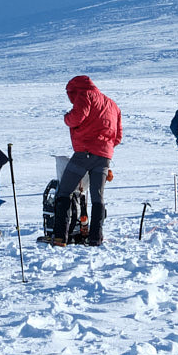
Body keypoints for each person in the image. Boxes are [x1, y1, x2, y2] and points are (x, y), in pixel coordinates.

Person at [51, 75, 122, 246]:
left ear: (73, 91)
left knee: (64, 191)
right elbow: (118, 136)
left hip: (85, 153)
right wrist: (105, 146)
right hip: (104, 157)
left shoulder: (85, 95)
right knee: (98, 197)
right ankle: (95, 238)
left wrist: (67, 118)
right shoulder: (112, 104)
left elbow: (77, 117)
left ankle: (60, 236)